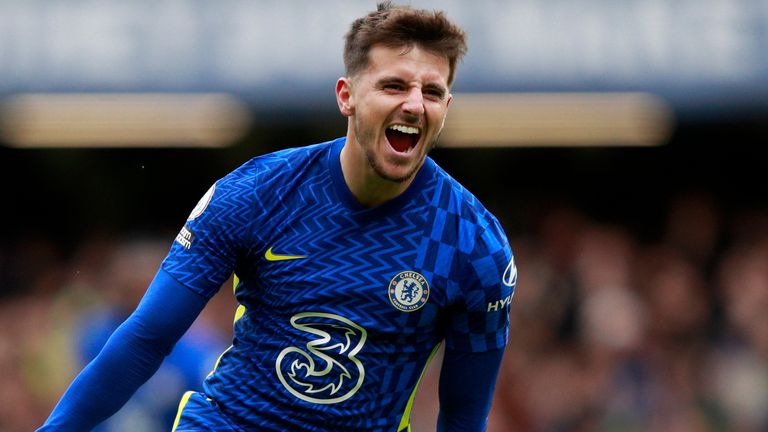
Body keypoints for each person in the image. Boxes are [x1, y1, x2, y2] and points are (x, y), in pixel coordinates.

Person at [39, 2, 517, 431]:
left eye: (431, 92)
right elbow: (147, 338)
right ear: (346, 96)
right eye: (393, 84)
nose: (413, 103)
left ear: (446, 107)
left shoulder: (474, 247)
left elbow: (463, 417)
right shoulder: (258, 193)